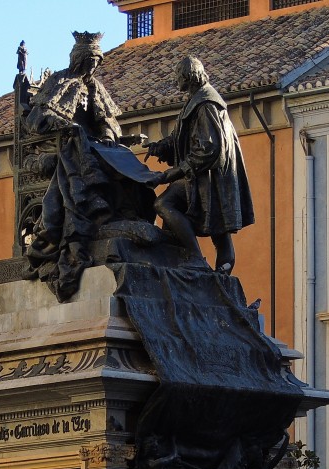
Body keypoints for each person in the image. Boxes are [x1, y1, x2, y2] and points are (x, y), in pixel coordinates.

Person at [25, 31, 155, 300]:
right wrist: (63, 124)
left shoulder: (95, 87)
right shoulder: (59, 81)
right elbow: (37, 119)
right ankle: (88, 217)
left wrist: (111, 136)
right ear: (78, 59)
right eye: (89, 61)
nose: (93, 67)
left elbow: (107, 121)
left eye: (97, 62)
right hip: (62, 146)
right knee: (84, 156)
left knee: (121, 157)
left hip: (93, 145)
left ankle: (126, 212)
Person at [145, 55, 254, 274]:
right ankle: (220, 278)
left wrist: (173, 173)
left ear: (188, 76)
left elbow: (209, 147)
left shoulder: (206, 104)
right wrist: (159, 147)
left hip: (207, 177)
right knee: (220, 231)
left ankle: (195, 256)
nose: (177, 83)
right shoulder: (197, 99)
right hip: (210, 176)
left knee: (163, 204)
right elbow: (181, 138)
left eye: (178, 78)